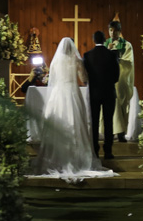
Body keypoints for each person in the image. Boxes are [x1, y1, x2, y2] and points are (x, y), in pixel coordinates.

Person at [32, 37, 114, 179]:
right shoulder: (76, 61)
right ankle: (76, 158)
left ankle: (56, 158)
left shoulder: (55, 61)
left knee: (59, 123)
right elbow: (83, 78)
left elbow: (52, 78)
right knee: (75, 123)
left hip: (57, 94)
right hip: (71, 92)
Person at [83, 30, 120, 159]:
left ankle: (95, 150)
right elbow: (116, 76)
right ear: (105, 40)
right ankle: (108, 151)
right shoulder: (112, 55)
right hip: (109, 92)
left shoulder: (87, 55)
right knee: (108, 122)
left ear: (94, 40)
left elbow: (85, 76)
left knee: (94, 122)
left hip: (94, 93)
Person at [107, 17, 135, 142]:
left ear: (119, 31)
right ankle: (110, 132)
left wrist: (119, 59)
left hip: (121, 79)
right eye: (111, 30)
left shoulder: (127, 45)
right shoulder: (105, 43)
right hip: (109, 81)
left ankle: (121, 133)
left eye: (115, 31)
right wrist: (108, 50)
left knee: (121, 105)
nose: (113, 33)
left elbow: (129, 62)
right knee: (109, 106)